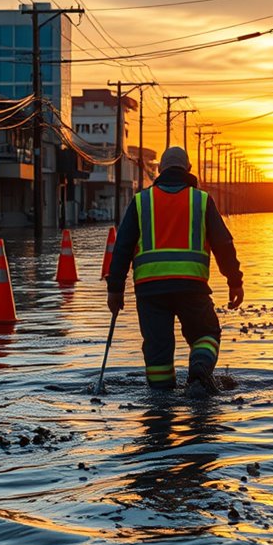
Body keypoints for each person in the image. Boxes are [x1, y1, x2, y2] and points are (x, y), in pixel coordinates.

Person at [106, 146, 244, 395]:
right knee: (206, 334)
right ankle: (199, 368)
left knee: (157, 351)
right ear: (188, 169)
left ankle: (161, 402)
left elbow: (122, 248)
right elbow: (223, 244)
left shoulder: (141, 201)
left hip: (150, 291)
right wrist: (234, 281)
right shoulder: (201, 200)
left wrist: (115, 290)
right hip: (191, 287)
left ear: (160, 170)